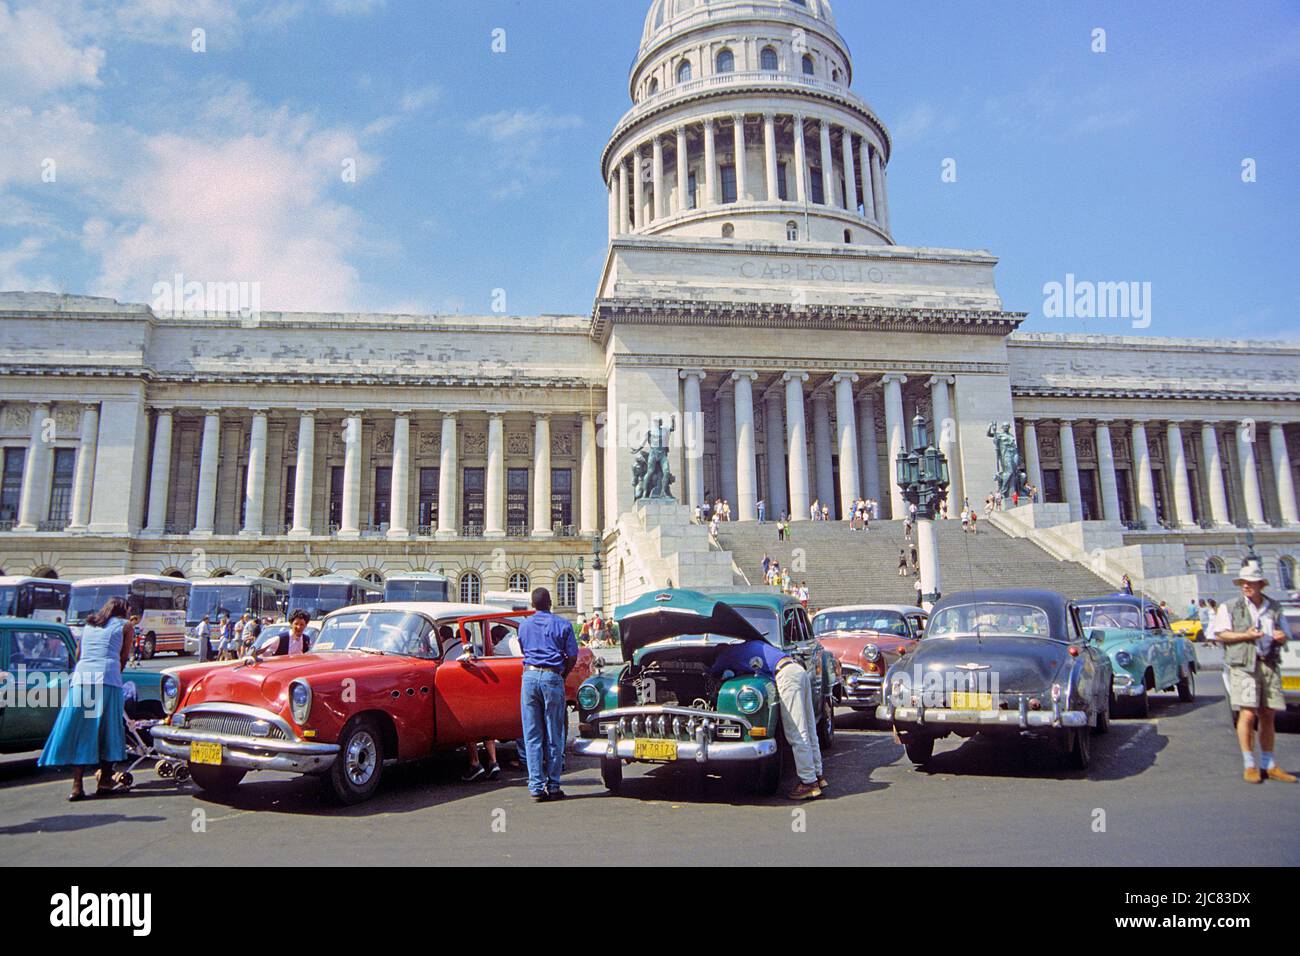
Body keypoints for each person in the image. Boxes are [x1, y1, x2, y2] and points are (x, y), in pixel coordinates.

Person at [1206, 561, 1296, 784]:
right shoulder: (1230, 606)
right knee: (1247, 713)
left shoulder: (1274, 607)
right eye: (1243, 582)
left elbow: (1286, 633)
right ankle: (1249, 764)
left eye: (1250, 583)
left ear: (1260, 585)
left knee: (1268, 714)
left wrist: (1281, 636)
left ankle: (1269, 763)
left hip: (1268, 663)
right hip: (1243, 664)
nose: (1245, 586)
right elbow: (1219, 634)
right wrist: (1246, 635)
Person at [38, 596, 134, 800]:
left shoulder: (89, 624)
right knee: (109, 729)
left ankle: (77, 785)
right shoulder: (126, 626)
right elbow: (123, 657)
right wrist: (116, 672)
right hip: (107, 679)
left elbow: (79, 653)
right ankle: (105, 781)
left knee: (83, 730)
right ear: (123, 610)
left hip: (82, 679)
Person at [710, 637, 825, 799]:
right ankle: (818, 775)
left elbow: (713, 672)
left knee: (796, 732)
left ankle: (808, 783)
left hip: (785, 676)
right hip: (797, 669)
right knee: (809, 727)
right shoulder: (747, 647)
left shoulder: (726, 654)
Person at [517, 587, 578, 802]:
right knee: (554, 733)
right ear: (550, 602)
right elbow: (572, 655)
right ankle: (553, 785)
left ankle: (535, 786)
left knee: (532, 734)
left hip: (530, 677)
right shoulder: (563, 624)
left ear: (533, 605)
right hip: (553, 676)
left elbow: (524, 649)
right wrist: (562, 673)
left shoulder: (524, 625)